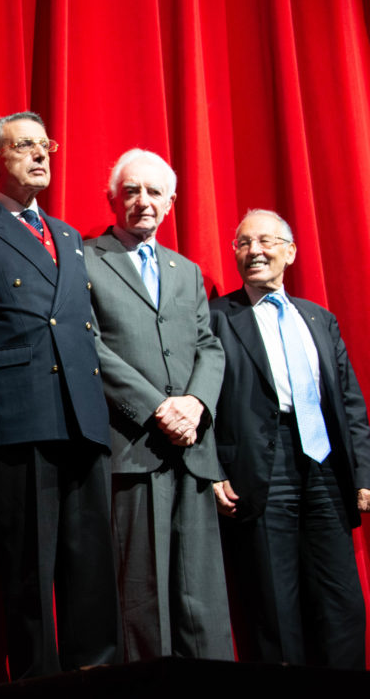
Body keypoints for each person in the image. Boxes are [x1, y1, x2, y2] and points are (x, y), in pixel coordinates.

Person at [0, 111, 121, 678]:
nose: (41, 155)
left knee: (92, 570)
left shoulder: (66, 234)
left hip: (82, 418)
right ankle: (38, 680)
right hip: (14, 417)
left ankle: (98, 673)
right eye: (24, 146)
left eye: (45, 146)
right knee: (28, 574)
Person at [83, 149, 232, 661]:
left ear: (170, 203)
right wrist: (155, 407)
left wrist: (195, 403)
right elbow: (89, 344)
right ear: (113, 200)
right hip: (134, 447)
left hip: (192, 448)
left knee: (201, 594)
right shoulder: (84, 259)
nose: (142, 201)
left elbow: (208, 346)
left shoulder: (186, 271)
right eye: (131, 191)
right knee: (143, 596)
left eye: (153, 192)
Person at [210, 209, 370, 668]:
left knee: (341, 602)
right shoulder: (219, 318)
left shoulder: (319, 319)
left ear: (291, 252)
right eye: (243, 243)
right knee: (273, 608)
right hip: (261, 469)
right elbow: (202, 400)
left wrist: (362, 472)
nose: (254, 251)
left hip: (325, 468)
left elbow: (350, 402)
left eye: (265, 241)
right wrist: (214, 472)